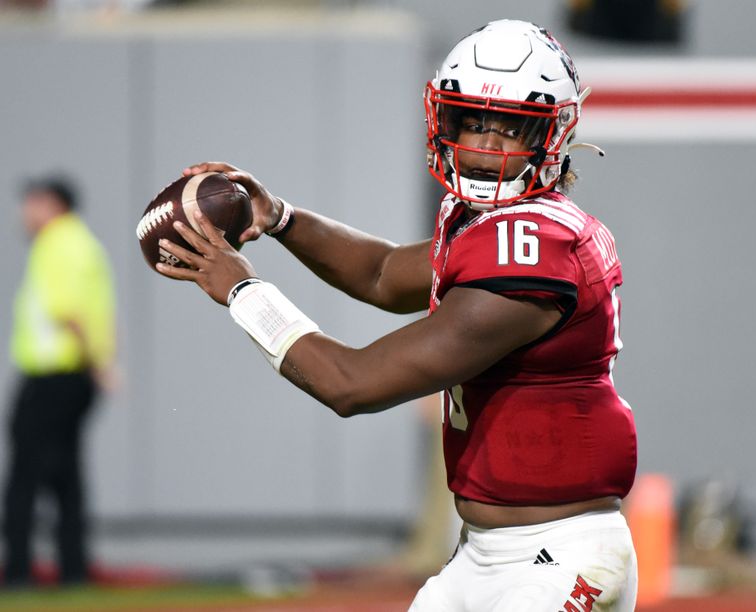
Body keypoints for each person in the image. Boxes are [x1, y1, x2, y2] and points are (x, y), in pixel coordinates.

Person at [157, 19, 638, 611]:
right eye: (472, 121)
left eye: (510, 128)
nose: (484, 146)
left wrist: (243, 292)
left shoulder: (533, 251)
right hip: (481, 554)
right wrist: (280, 217)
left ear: (552, 133)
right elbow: (382, 273)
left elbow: (351, 385)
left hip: (562, 557)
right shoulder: (482, 222)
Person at [2, 175, 115, 586]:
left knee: (24, 477)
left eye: (30, 203)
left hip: (52, 376)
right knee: (67, 476)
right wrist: (101, 364)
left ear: (50, 204)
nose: (23, 213)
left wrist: (99, 363)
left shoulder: (57, 244)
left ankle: (17, 572)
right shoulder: (85, 244)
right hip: (76, 377)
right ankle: (73, 570)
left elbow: (66, 311)